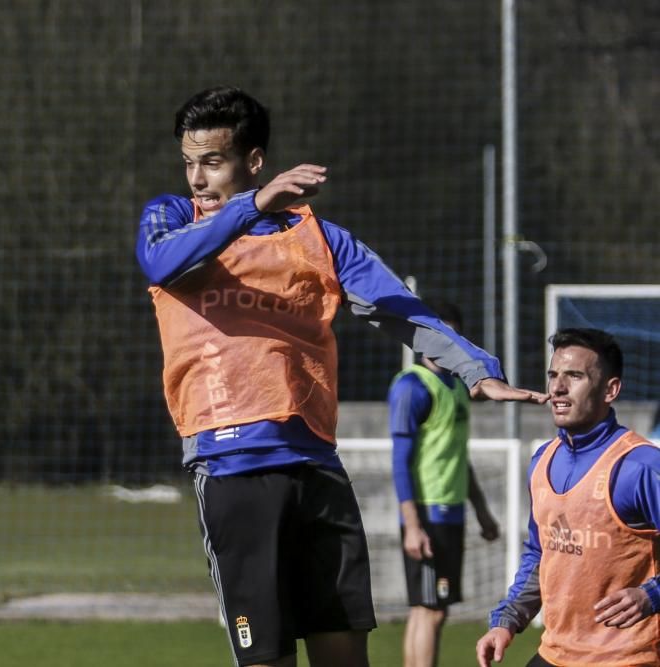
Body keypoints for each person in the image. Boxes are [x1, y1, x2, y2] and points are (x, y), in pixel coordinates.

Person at [136, 85, 546, 667]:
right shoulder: (172, 219)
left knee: (345, 653)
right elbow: (158, 261)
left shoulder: (320, 238)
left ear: (253, 161)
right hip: (234, 468)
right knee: (267, 658)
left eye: (213, 161)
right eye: (189, 163)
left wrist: (474, 370)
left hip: (318, 468)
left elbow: (399, 305)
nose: (197, 178)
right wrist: (249, 207)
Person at [476, 328, 660, 667]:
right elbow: (539, 552)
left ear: (610, 390)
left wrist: (652, 594)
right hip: (556, 653)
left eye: (574, 376)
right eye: (553, 375)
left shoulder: (641, 466)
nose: (558, 388)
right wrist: (507, 621)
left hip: (625, 658)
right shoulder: (543, 459)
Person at [388, 301, 500, 667]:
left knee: (433, 608)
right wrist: (413, 525)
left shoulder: (456, 387)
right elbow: (400, 461)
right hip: (427, 513)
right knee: (429, 609)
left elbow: (457, 457)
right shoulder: (412, 387)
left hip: (451, 512)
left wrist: (481, 510)